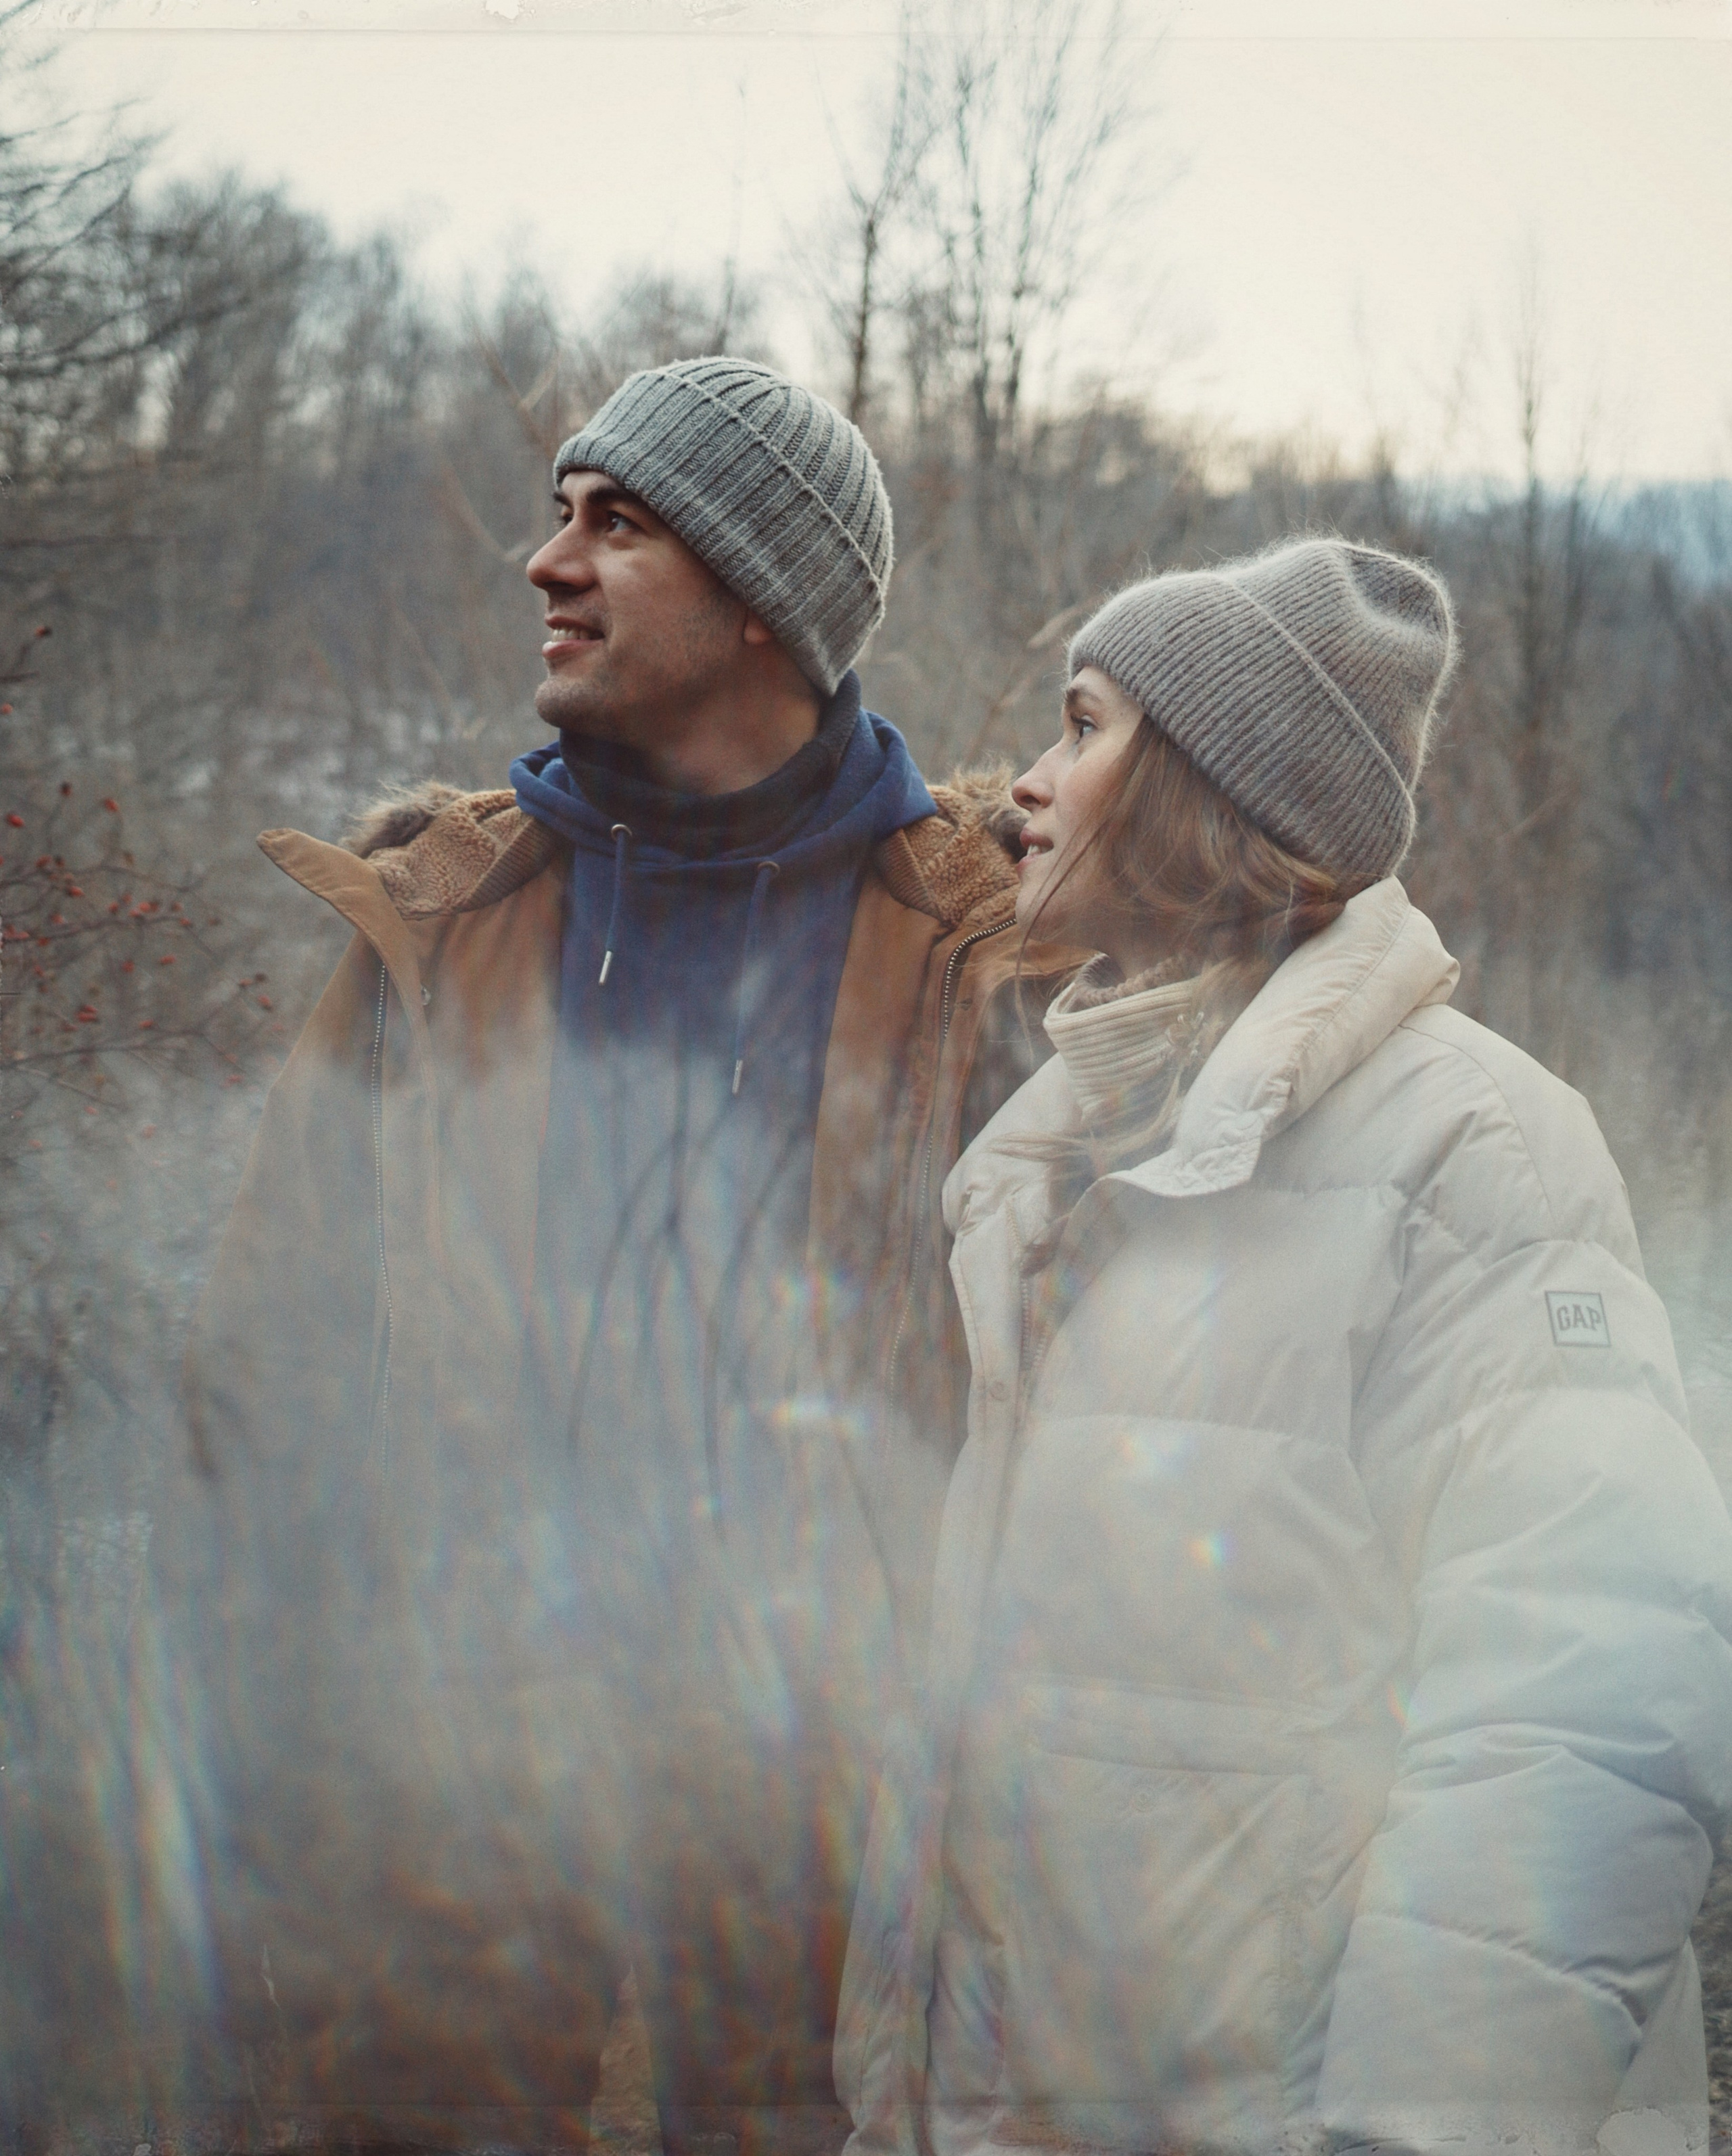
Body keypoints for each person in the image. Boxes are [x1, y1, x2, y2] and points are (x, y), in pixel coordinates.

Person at [149, 359, 1082, 2151]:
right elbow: (263, 1376)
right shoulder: (450, 918)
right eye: (559, 511)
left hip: (827, 1835)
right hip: (455, 1810)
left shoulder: (975, 952)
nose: (544, 562)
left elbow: (1072, 1428)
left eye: (616, 523)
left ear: (757, 601)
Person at [836, 538, 1732, 2156]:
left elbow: (1573, 1725)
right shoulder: (1050, 1159)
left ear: (1204, 782)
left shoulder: (1475, 1151)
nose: (1020, 787)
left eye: (1082, 725)